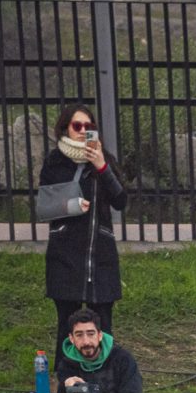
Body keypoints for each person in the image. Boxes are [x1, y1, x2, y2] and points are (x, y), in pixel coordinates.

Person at [40, 102, 129, 370]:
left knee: (102, 324)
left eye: (88, 126)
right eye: (77, 125)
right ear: (65, 128)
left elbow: (121, 200)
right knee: (67, 324)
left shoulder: (104, 159)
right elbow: (44, 205)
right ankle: (66, 379)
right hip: (65, 256)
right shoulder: (55, 161)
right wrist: (71, 205)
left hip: (99, 256)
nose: (82, 131)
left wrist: (101, 166)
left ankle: (105, 378)